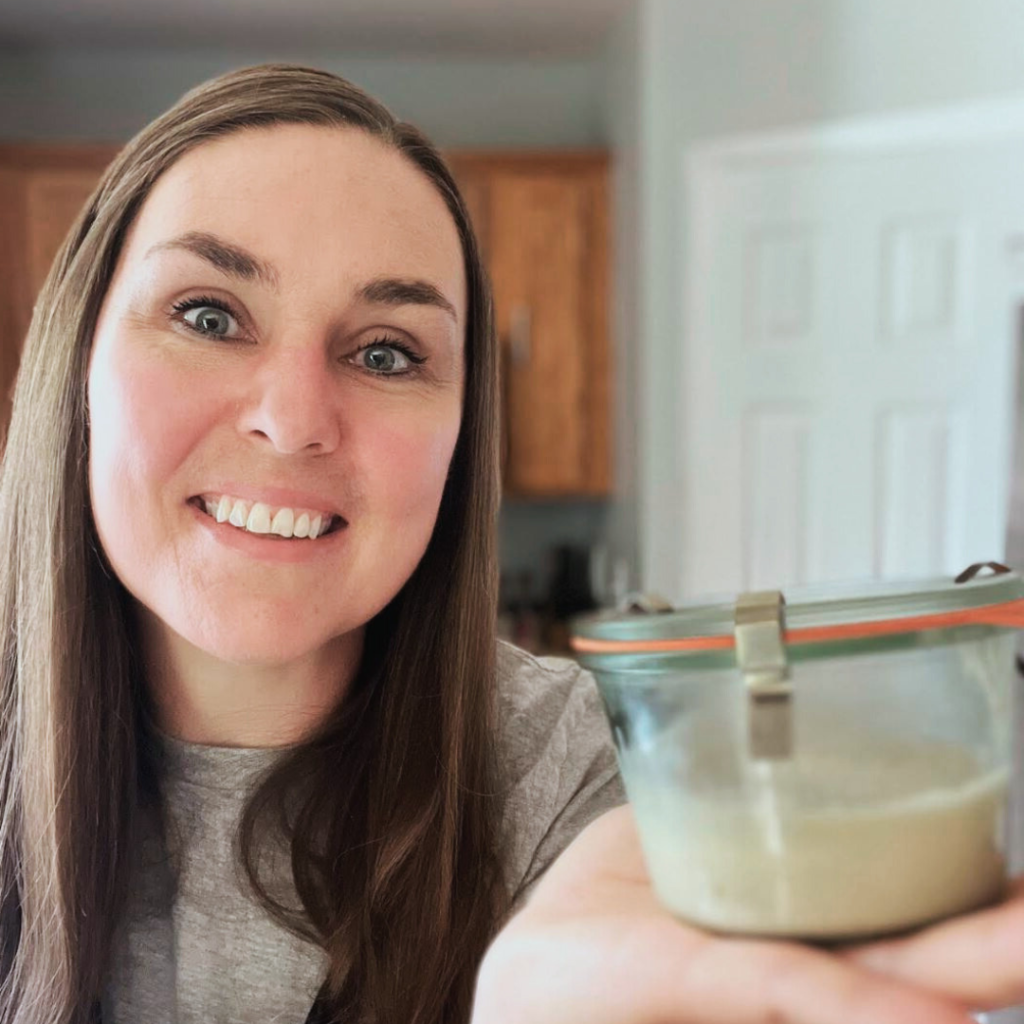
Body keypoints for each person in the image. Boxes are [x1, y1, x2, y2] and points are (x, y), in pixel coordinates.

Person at [0, 63, 1020, 1024]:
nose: (294, 417)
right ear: (76, 364)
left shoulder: (563, 769)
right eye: (210, 314)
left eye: (388, 351)